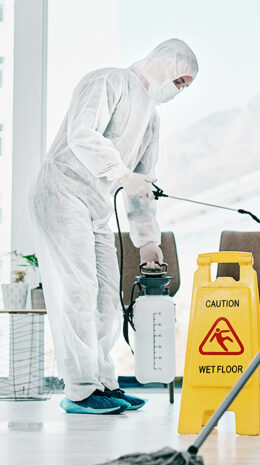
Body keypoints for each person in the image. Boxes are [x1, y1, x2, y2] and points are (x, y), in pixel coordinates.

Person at [29, 39, 198, 414]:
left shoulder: (151, 118)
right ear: (166, 64)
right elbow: (82, 134)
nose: (180, 89)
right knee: (79, 290)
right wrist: (121, 173)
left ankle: (104, 382)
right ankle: (80, 390)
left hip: (95, 206)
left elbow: (143, 181)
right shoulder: (108, 81)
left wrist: (148, 242)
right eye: (181, 80)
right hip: (61, 192)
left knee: (107, 295)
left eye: (186, 85)